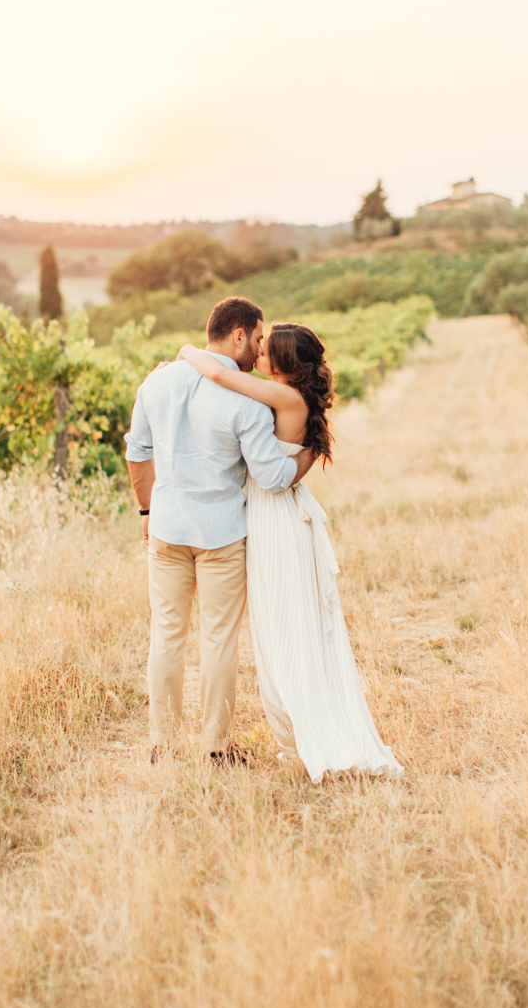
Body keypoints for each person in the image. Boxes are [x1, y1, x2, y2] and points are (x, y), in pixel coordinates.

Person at [177, 322, 403, 784]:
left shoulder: (284, 396)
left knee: (285, 624)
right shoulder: (290, 397)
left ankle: (305, 727)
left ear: (283, 362)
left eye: (267, 347)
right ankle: (298, 727)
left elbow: (220, 377)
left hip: (276, 520)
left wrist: (185, 350)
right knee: (285, 623)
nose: (258, 350)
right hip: (276, 513)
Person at [124, 297, 316, 763]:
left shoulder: (157, 381)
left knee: (166, 635)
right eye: (255, 339)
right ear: (236, 335)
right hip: (222, 537)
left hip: (167, 530)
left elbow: (137, 453)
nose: (257, 351)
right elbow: (271, 476)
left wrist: (148, 513)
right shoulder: (246, 399)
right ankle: (213, 748)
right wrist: (312, 452)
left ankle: (162, 745)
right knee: (218, 639)